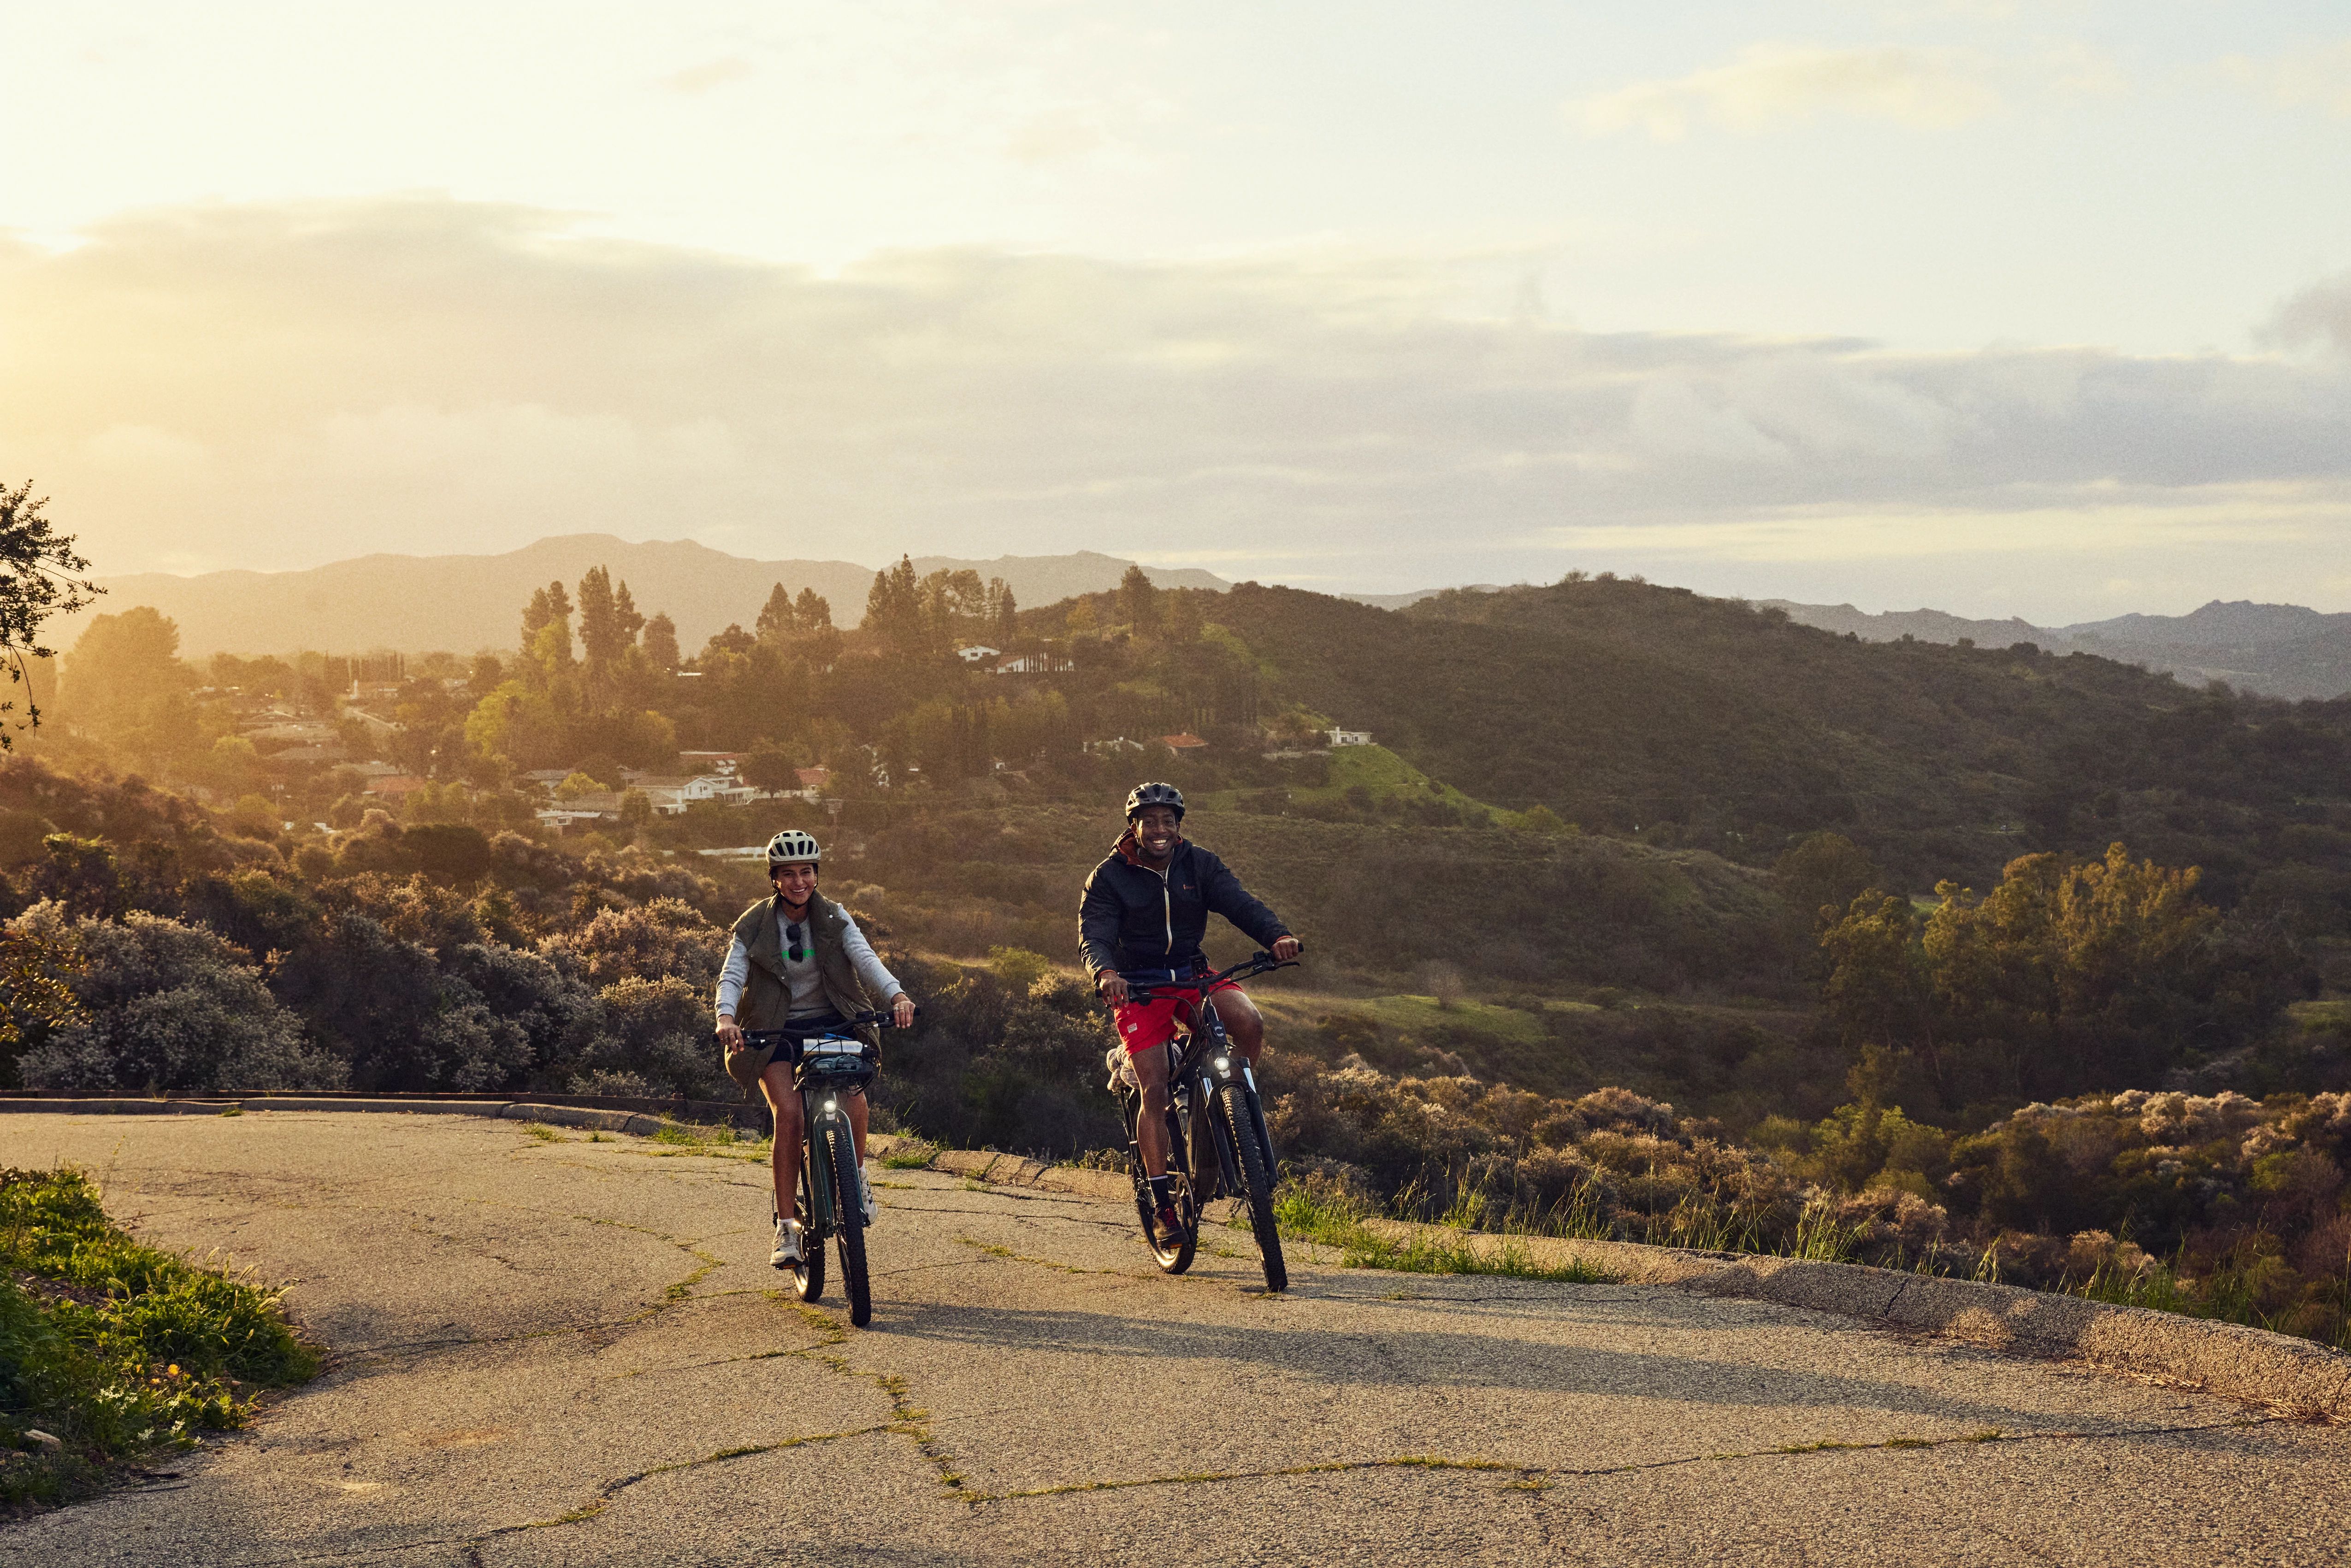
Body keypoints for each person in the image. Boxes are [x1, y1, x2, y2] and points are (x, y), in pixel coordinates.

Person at [1080, 782, 1301, 1241]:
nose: (1160, 830)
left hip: (1189, 974)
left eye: (1168, 821)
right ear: (1133, 827)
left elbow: (1240, 904)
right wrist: (1105, 974)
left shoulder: (1198, 864)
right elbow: (1095, 935)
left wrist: (1276, 935)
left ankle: (1230, 1108)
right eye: (1150, 822)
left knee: (1248, 1022)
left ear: (1179, 826)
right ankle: (1163, 1206)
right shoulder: (1108, 877)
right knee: (1155, 1094)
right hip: (1137, 986)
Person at [715, 829, 915, 1268]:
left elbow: (866, 960)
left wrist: (896, 996)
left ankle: (856, 1176)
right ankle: (786, 1229)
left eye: (806, 872)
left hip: (834, 1021)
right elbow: (732, 975)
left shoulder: (835, 918)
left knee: (855, 1099)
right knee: (789, 1115)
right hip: (774, 1031)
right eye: (788, 874)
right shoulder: (753, 926)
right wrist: (726, 1018)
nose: (799, 882)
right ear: (774, 879)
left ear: (816, 875)